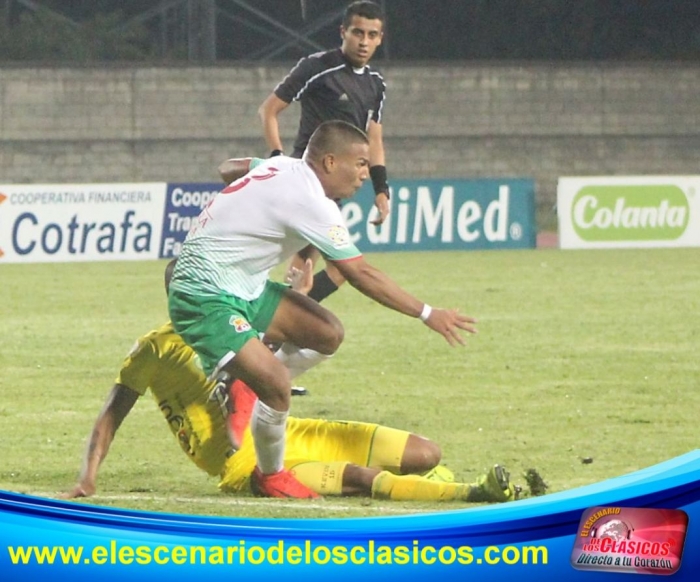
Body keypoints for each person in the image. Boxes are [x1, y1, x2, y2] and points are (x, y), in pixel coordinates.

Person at [169, 120, 476, 499]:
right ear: (330, 162)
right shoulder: (312, 201)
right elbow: (361, 274)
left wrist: (246, 210)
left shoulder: (282, 166)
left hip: (245, 287)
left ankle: (247, 384)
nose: (366, 174)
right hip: (204, 296)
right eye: (361, 163)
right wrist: (429, 313)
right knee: (278, 388)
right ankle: (271, 475)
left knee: (327, 333)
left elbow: (228, 168)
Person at [63, 260, 516, 504]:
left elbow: (305, 322)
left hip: (285, 430)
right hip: (244, 466)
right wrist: (88, 476)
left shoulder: (239, 321)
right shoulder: (153, 349)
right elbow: (112, 412)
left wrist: (305, 284)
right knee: (361, 478)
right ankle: (472, 493)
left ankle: (433, 478)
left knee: (425, 452)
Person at [258, 0, 390, 303]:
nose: (364, 42)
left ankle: (281, 319)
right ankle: (280, 318)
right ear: (343, 31)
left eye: (372, 35)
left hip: (334, 190)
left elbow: (375, 141)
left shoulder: (375, 85)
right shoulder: (317, 67)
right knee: (342, 267)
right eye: (358, 33)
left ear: (380, 38)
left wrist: (381, 189)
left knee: (306, 267)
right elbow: (269, 111)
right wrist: (276, 156)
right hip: (308, 184)